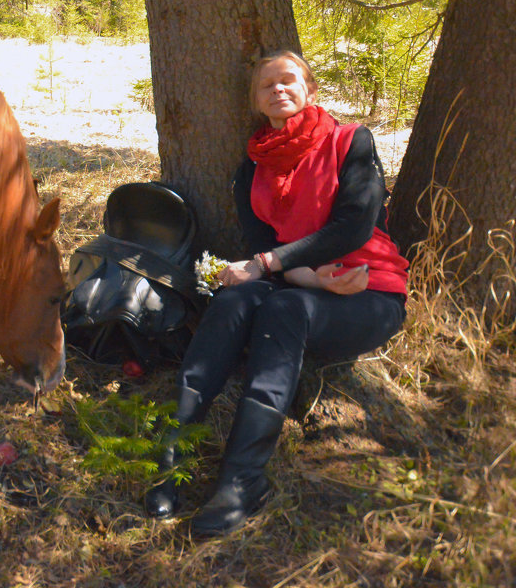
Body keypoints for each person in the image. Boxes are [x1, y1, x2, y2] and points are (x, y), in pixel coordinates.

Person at [144, 49, 409, 536]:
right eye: (267, 85)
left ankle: (243, 480)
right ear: (256, 101)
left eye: (289, 80)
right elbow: (263, 247)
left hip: (370, 293)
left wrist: (273, 267)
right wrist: (306, 276)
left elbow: (352, 226)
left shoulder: (351, 142)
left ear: (309, 90)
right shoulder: (251, 170)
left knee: (281, 306)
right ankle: (170, 456)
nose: (279, 89)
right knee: (236, 300)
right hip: (304, 287)